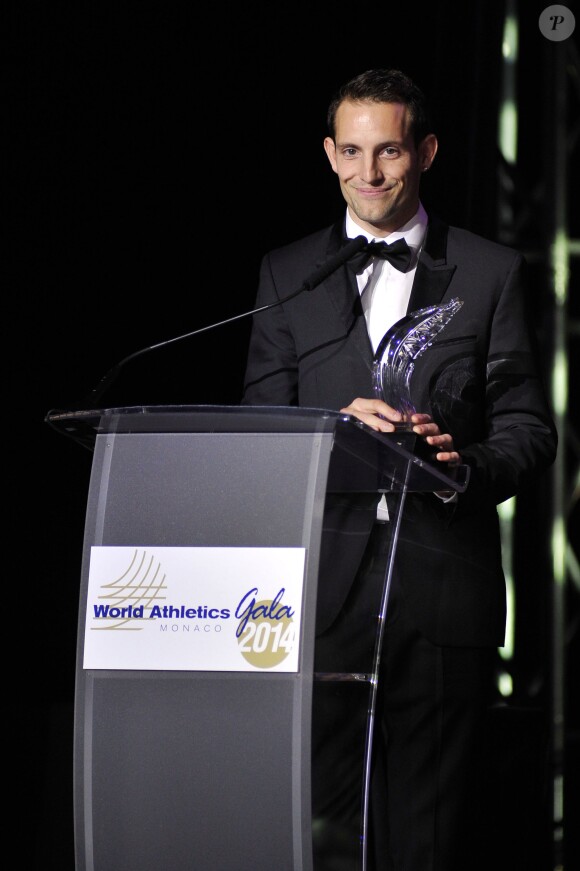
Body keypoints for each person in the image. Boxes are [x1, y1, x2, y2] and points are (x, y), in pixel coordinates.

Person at [241, 68, 557, 871]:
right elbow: (258, 431)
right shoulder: (287, 273)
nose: (369, 173)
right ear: (329, 153)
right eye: (351, 151)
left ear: (426, 151)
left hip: (442, 591)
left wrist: (462, 465)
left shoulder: (490, 272)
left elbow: (529, 430)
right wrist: (330, 428)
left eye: (388, 151)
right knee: (303, 824)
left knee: (425, 838)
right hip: (309, 600)